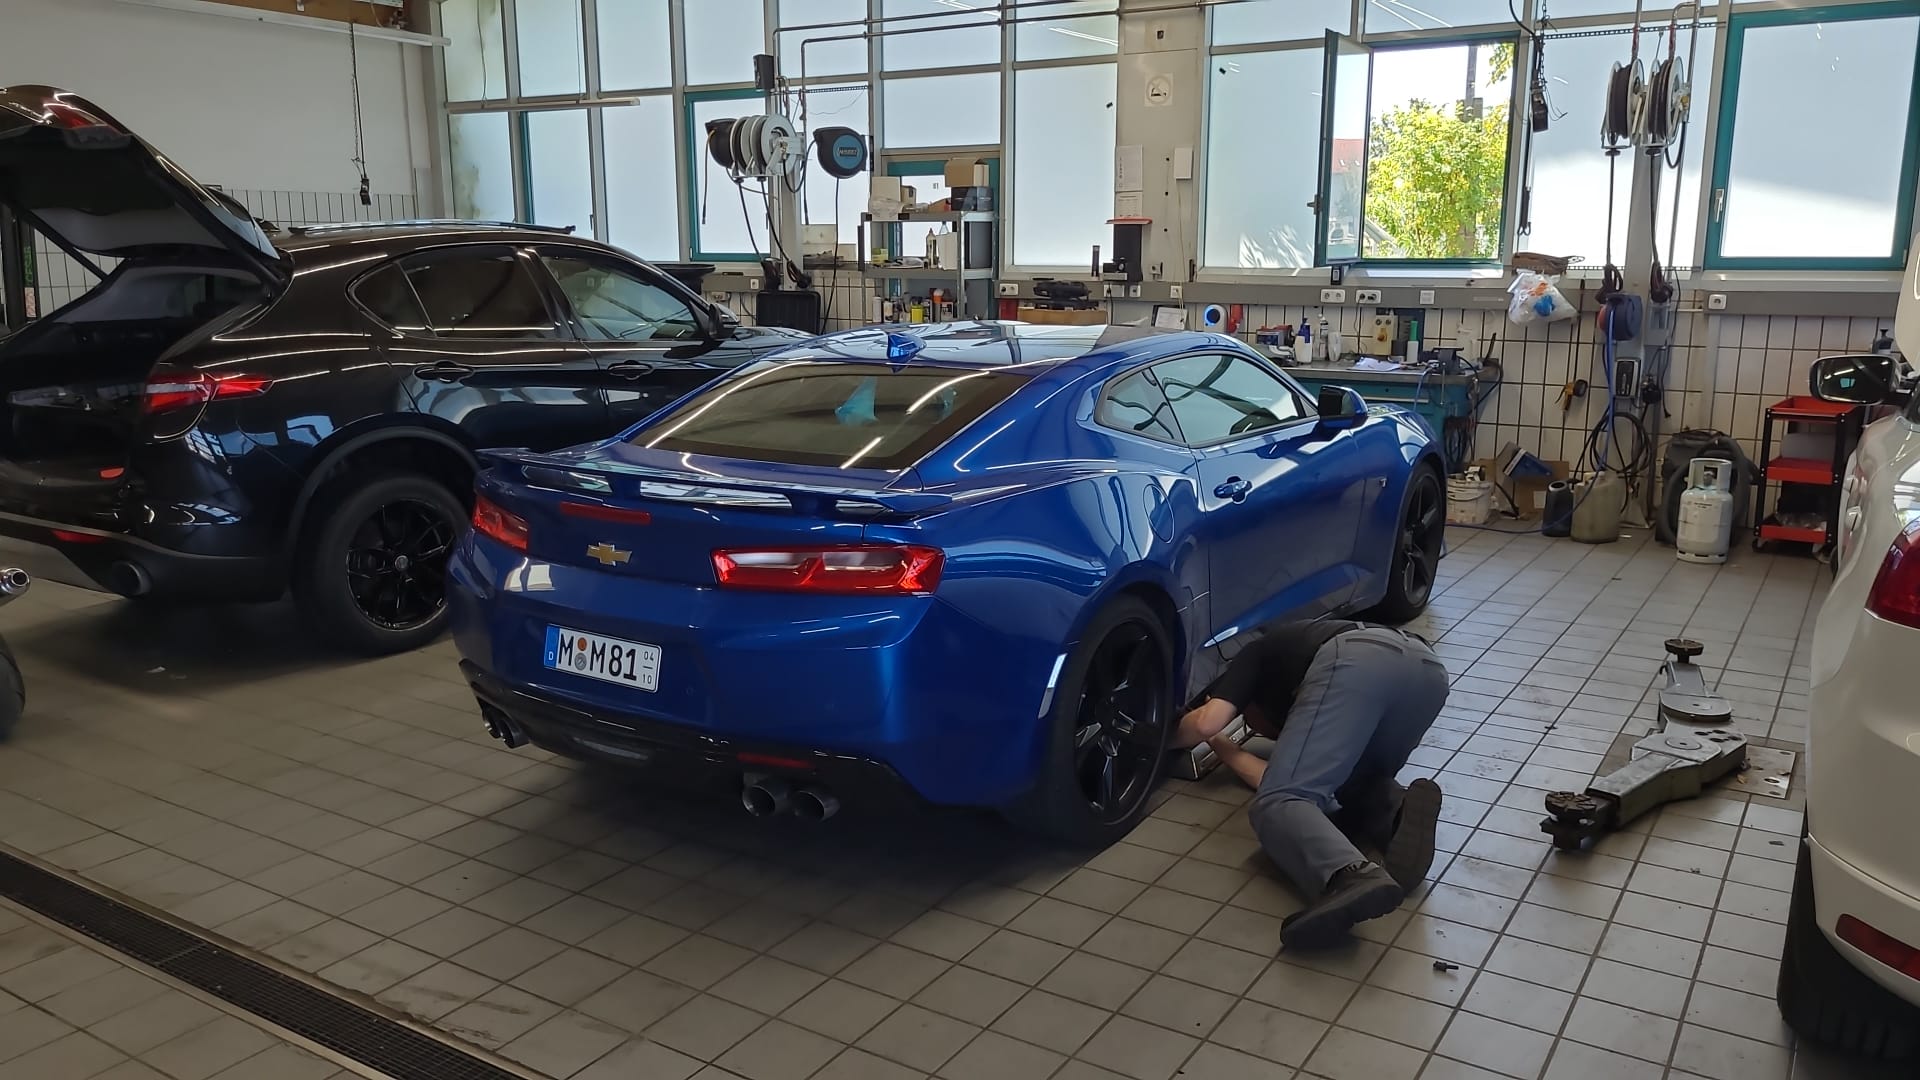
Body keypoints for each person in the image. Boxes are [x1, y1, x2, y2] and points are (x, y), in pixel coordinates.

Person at [1174, 620, 1450, 950]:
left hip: (1359, 661)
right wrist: (1227, 751)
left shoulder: (1253, 654)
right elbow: (1274, 773)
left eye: (1249, 721)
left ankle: (1349, 875)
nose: (1260, 731)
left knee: (1280, 801)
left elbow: (1207, 722)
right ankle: (1397, 812)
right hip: (1428, 673)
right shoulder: (1295, 656)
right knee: (1354, 784)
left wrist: (1158, 741)